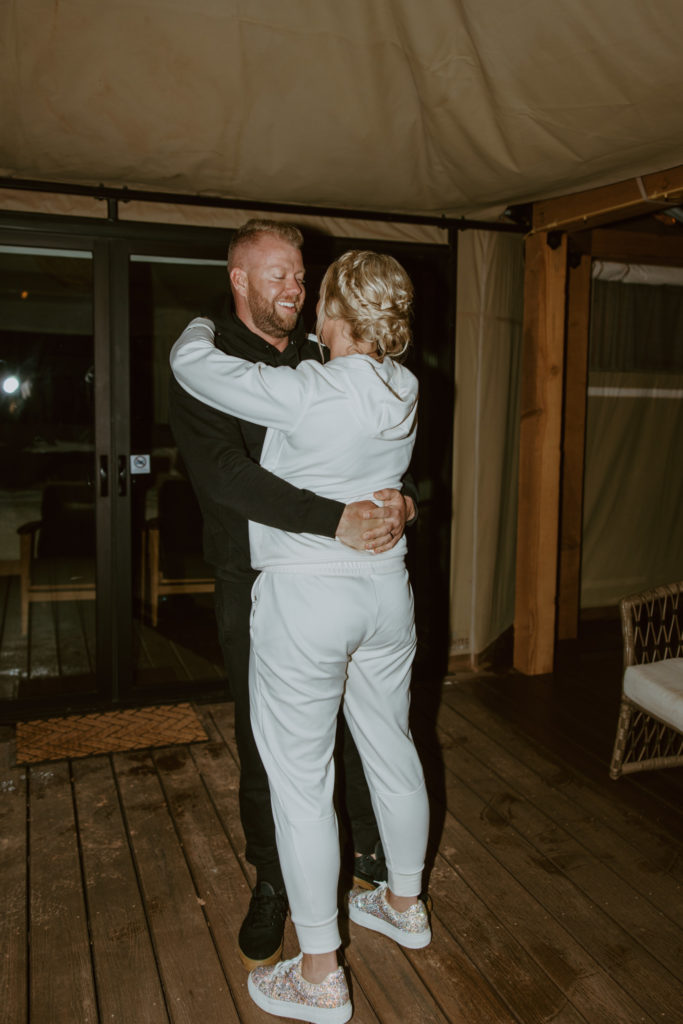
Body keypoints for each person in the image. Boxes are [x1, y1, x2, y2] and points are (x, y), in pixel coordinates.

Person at [171, 249, 430, 1024]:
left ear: (334, 314)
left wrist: (196, 319)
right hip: (385, 594)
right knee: (391, 745)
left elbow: (193, 366)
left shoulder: (306, 390)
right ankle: (404, 904)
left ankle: (318, 973)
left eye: (315, 291)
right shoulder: (407, 386)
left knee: (300, 781)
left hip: (307, 600)